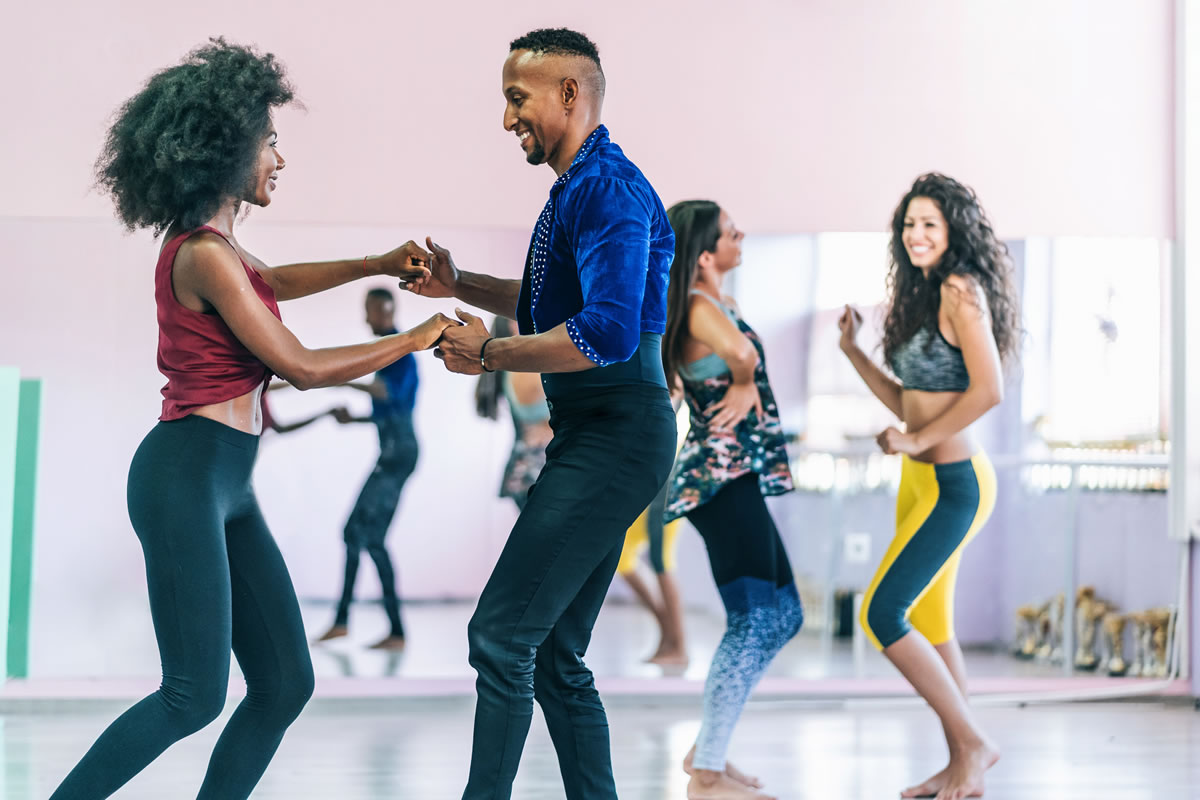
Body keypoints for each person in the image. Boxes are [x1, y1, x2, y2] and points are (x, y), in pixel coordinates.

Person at [50, 39, 453, 800]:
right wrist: (414, 337)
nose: (279, 159)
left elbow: (278, 279)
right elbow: (298, 366)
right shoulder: (202, 255)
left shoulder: (225, 251)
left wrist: (377, 262)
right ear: (226, 147)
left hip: (225, 481)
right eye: (270, 142)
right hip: (185, 476)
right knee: (192, 694)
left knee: (284, 684)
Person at [404, 28, 677, 800]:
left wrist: (487, 355)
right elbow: (551, 303)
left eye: (516, 99)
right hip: (603, 433)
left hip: (618, 435)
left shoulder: (607, 189)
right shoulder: (577, 188)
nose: (506, 120)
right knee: (554, 655)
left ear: (569, 93)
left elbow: (606, 332)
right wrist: (462, 285)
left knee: (499, 635)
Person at [839, 172, 1021, 800]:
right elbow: (907, 398)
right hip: (918, 482)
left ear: (953, 232)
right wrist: (854, 353)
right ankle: (960, 765)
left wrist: (917, 441)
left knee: (883, 612)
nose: (916, 235)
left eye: (929, 225)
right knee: (935, 626)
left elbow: (989, 389)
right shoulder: (922, 294)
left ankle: (973, 744)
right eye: (909, 225)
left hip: (956, 485)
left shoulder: (961, 289)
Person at [661, 200, 803, 800]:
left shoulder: (717, 303)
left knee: (785, 613)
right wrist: (743, 380)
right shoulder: (697, 305)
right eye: (729, 230)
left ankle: (707, 747)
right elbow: (742, 357)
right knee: (752, 619)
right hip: (717, 480)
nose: (740, 234)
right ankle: (709, 774)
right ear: (703, 251)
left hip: (735, 476)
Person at [315, 288, 420, 650]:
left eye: (370, 311)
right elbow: (388, 409)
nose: (366, 319)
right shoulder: (391, 351)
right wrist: (355, 418)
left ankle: (393, 631)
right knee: (356, 535)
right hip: (393, 451)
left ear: (385, 310)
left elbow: (386, 395)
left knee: (367, 537)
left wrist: (342, 377)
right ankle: (347, 622)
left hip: (398, 455)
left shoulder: (398, 350)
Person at [614, 401, 689, 666]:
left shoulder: (669, 370)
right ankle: (666, 630)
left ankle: (678, 645)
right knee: (620, 555)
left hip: (668, 475)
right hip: (648, 474)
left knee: (661, 560)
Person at [474, 316, 552, 511]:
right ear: (512, 326)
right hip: (534, 470)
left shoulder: (526, 365)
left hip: (536, 468)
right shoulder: (525, 368)